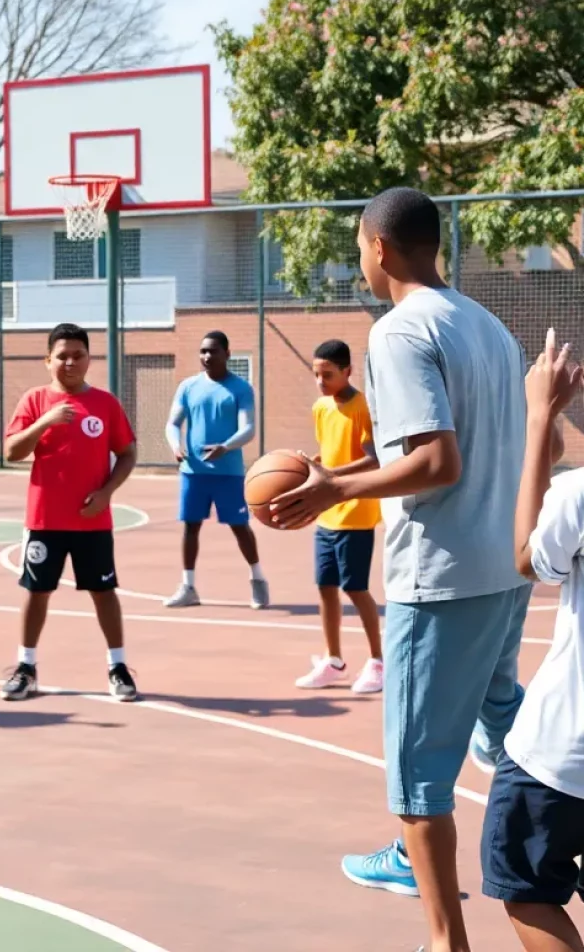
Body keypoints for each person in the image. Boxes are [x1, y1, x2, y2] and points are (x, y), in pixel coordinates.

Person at [270, 187, 532, 952]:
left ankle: (445, 940)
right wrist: (348, 467)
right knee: (505, 735)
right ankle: (555, 847)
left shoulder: (397, 333)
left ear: (378, 248)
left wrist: (331, 487)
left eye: (359, 246)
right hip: (504, 569)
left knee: (419, 783)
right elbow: (476, 448)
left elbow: (437, 461)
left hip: (440, 578)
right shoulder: (488, 327)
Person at [479, 329, 584, 952]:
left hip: (563, 751)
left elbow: (527, 558)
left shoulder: (578, 494)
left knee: (525, 887)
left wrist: (540, 418)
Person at [1, 323, 138, 702]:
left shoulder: (105, 404)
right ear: (48, 361)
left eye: (78, 355)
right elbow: (11, 451)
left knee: (103, 591)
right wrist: (45, 421)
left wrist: (107, 493)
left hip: (92, 521)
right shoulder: (34, 400)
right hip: (45, 520)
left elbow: (127, 454)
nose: (70, 362)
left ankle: (118, 666)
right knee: (36, 591)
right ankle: (26, 667)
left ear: (89, 359)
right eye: (62, 355)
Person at [296, 338, 383, 694]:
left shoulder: (363, 407)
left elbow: (374, 457)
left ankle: (377, 662)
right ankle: (333, 661)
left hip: (356, 511)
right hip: (327, 513)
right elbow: (329, 452)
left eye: (328, 374)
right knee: (325, 586)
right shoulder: (321, 407)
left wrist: (333, 476)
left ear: (347, 371)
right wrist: (314, 464)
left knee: (355, 587)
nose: (321, 381)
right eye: (317, 374)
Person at [163, 330, 269, 610]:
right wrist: (176, 445)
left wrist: (226, 447)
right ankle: (188, 586)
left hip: (228, 473)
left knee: (239, 527)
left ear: (227, 354)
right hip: (193, 472)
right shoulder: (188, 386)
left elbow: (248, 429)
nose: (207, 356)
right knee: (191, 527)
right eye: (203, 351)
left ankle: (257, 579)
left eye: (213, 351)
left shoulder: (240, 388)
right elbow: (172, 423)